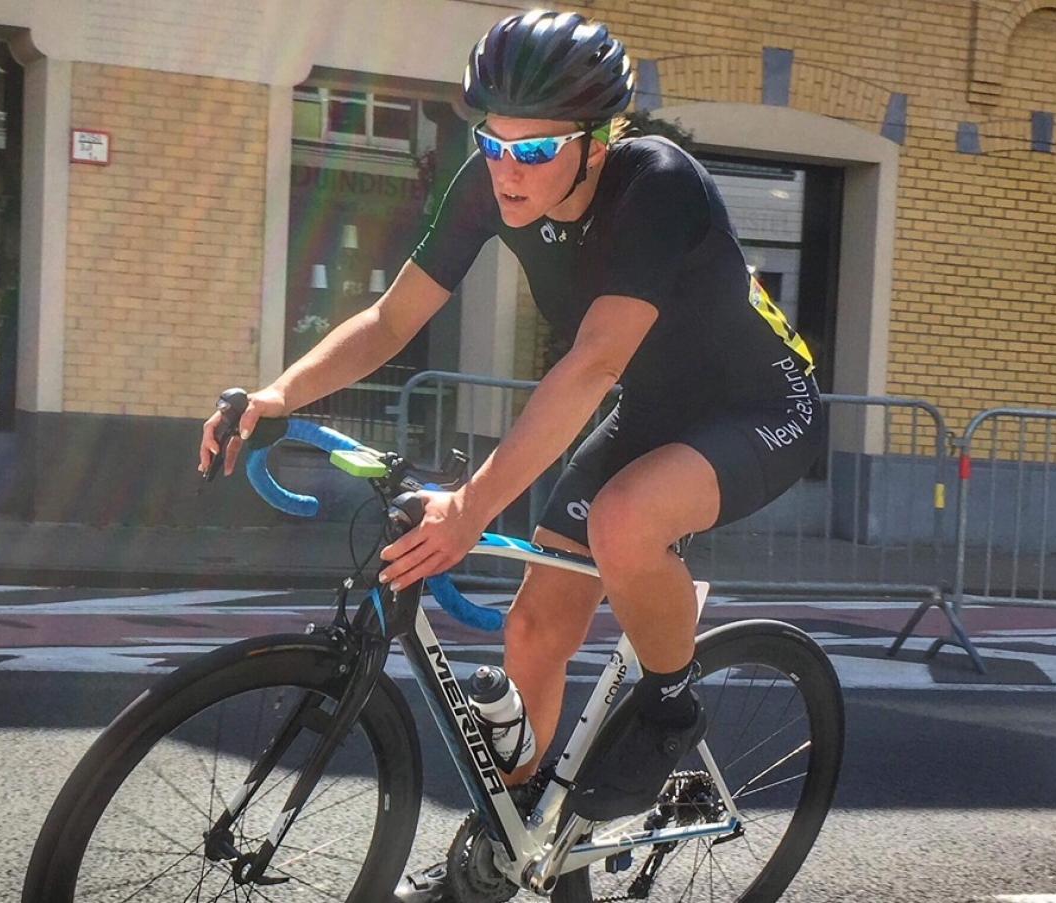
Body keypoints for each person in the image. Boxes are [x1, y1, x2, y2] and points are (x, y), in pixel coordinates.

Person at [199, 10, 823, 900]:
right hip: (651, 410)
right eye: (490, 141)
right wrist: (274, 395)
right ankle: (518, 844)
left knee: (625, 520)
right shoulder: (486, 183)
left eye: (534, 151)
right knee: (533, 625)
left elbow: (592, 363)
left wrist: (474, 506)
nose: (505, 168)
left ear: (600, 140)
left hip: (763, 406)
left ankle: (671, 706)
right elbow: (389, 321)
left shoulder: (657, 183)